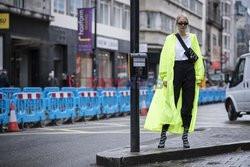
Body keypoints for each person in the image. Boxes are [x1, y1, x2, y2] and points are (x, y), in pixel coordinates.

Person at [144, 13, 205, 149]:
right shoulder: (170, 39)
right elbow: (164, 58)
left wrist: (199, 77)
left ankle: (185, 136)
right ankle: (163, 136)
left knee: (188, 104)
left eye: (185, 23)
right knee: (169, 102)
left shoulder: (193, 38)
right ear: (176, 24)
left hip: (189, 70)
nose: (182, 26)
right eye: (180, 23)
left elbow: (198, 58)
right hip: (174, 70)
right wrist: (164, 76)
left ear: (187, 25)